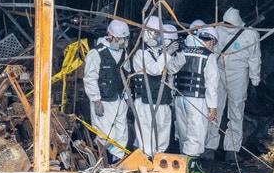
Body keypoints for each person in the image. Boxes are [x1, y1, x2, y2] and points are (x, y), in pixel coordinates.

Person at [213, 7, 261, 160]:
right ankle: (208, 147)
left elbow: (254, 58)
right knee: (214, 109)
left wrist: (255, 78)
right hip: (218, 72)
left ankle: (232, 150)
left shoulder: (250, 34)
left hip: (239, 74)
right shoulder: (217, 29)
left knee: (236, 111)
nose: (226, 26)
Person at [127, 16, 179, 156]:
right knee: (147, 133)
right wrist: (166, 54)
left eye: (159, 34)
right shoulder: (141, 54)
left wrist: (175, 53)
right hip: (146, 101)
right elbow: (155, 70)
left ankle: (158, 159)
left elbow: (173, 70)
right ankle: (146, 160)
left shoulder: (160, 53)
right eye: (156, 34)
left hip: (162, 100)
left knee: (162, 131)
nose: (158, 37)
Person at [174, 23, 224, 165]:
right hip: (198, 100)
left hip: (180, 97)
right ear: (211, 41)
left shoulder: (183, 51)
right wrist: (213, 107)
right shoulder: (209, 57)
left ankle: (182, 164)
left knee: (183, 132)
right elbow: (211, 84)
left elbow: (172, 70)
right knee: (196, 133)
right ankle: (191, 166)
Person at [82, 19, 132, 162]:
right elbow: (90, 78)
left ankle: (118, 160)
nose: (123, 41)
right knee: (104, 133)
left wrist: (128, 97)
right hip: (103, 100)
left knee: (121, 131)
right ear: (110, 36)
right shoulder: (96, 53)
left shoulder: (124, 52)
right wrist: (96, 100)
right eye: (120, 39)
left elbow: (127, 75)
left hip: (119, 98)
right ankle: (104, 159)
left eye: (125, 38)